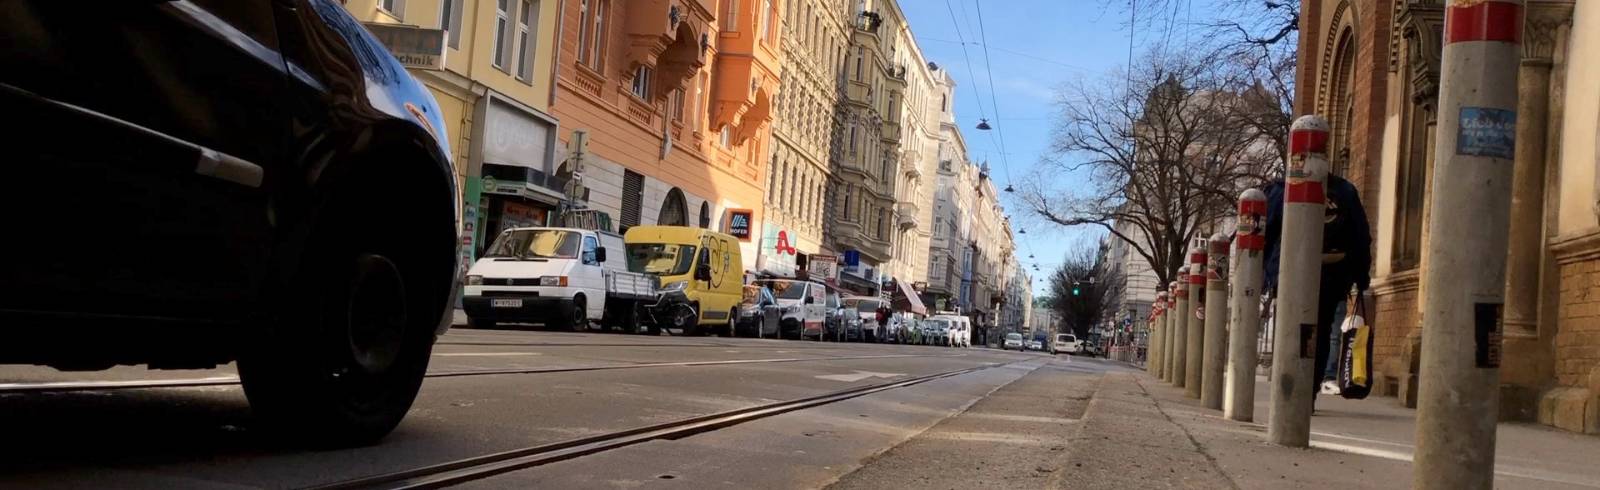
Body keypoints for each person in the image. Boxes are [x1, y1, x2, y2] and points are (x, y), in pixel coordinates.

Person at [1262, 173, 1372, 407]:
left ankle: (1287, 387)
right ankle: (1308, 391)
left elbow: (1267, 233)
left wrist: (1265, 275)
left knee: (1288, 328)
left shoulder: (1282, 188)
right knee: (1320, 331)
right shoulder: (1344, 190)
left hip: (1290, 271)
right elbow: (1361, 236)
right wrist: (1361, 276)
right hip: (1332, 272)